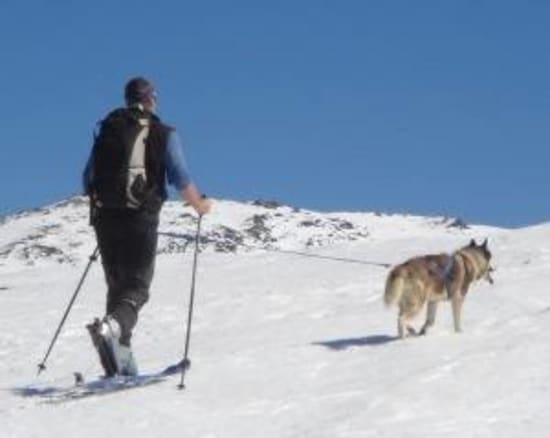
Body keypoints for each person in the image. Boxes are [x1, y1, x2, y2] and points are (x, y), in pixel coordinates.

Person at [83, 76, 211, 376]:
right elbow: (180, 177)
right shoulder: (163, 132)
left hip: (105, 218)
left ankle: (120, 362)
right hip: (140, 216)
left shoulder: (108, 129)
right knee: (137, 287)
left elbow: (86, 178)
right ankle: (113, 329)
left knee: (118, 288)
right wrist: (200, 206)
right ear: (151, 99)